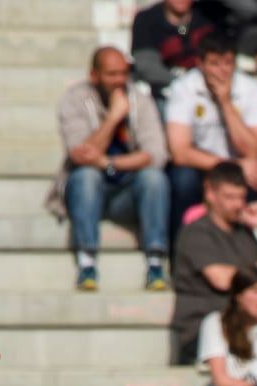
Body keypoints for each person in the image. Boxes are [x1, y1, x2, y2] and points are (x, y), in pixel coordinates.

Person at [55, 46, 171, 292]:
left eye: (123, 73)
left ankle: (155, 260)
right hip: (87, 191)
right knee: (86, 176)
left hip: (128, 191)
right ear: (94, 75)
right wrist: (113, 119)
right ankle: (87, 261)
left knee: (154, 179)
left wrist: (108, 163)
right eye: (111, 74)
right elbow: (79, 155)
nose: (119, 80)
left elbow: (156, 155)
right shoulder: (74, 100)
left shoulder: (140, 100)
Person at [171, 163, 257, 364]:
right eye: (230, 197)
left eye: (241, 197)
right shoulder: (196, 232)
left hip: (248, 327)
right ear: (210, 193)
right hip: (203, 330)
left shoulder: (246, 233)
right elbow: (221, 279)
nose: (238, 205)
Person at [164, 32, 257, 239]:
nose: (222, 72)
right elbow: (180, 152)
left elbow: (254, 149)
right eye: (214, 64)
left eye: (228, 63)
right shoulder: (183, 89)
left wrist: (226, 103)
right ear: (200, 64)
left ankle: (253, 250)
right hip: (202, 166)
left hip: (240, 166)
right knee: (182, 181)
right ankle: (180, 250)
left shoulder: (252, 90)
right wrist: (235, 165)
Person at [131, 0, 219, 98]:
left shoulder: (209, 13)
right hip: (166, 92)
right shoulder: (146, 20)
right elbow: (147, 66)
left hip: (208, 88)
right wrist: (183, 83)